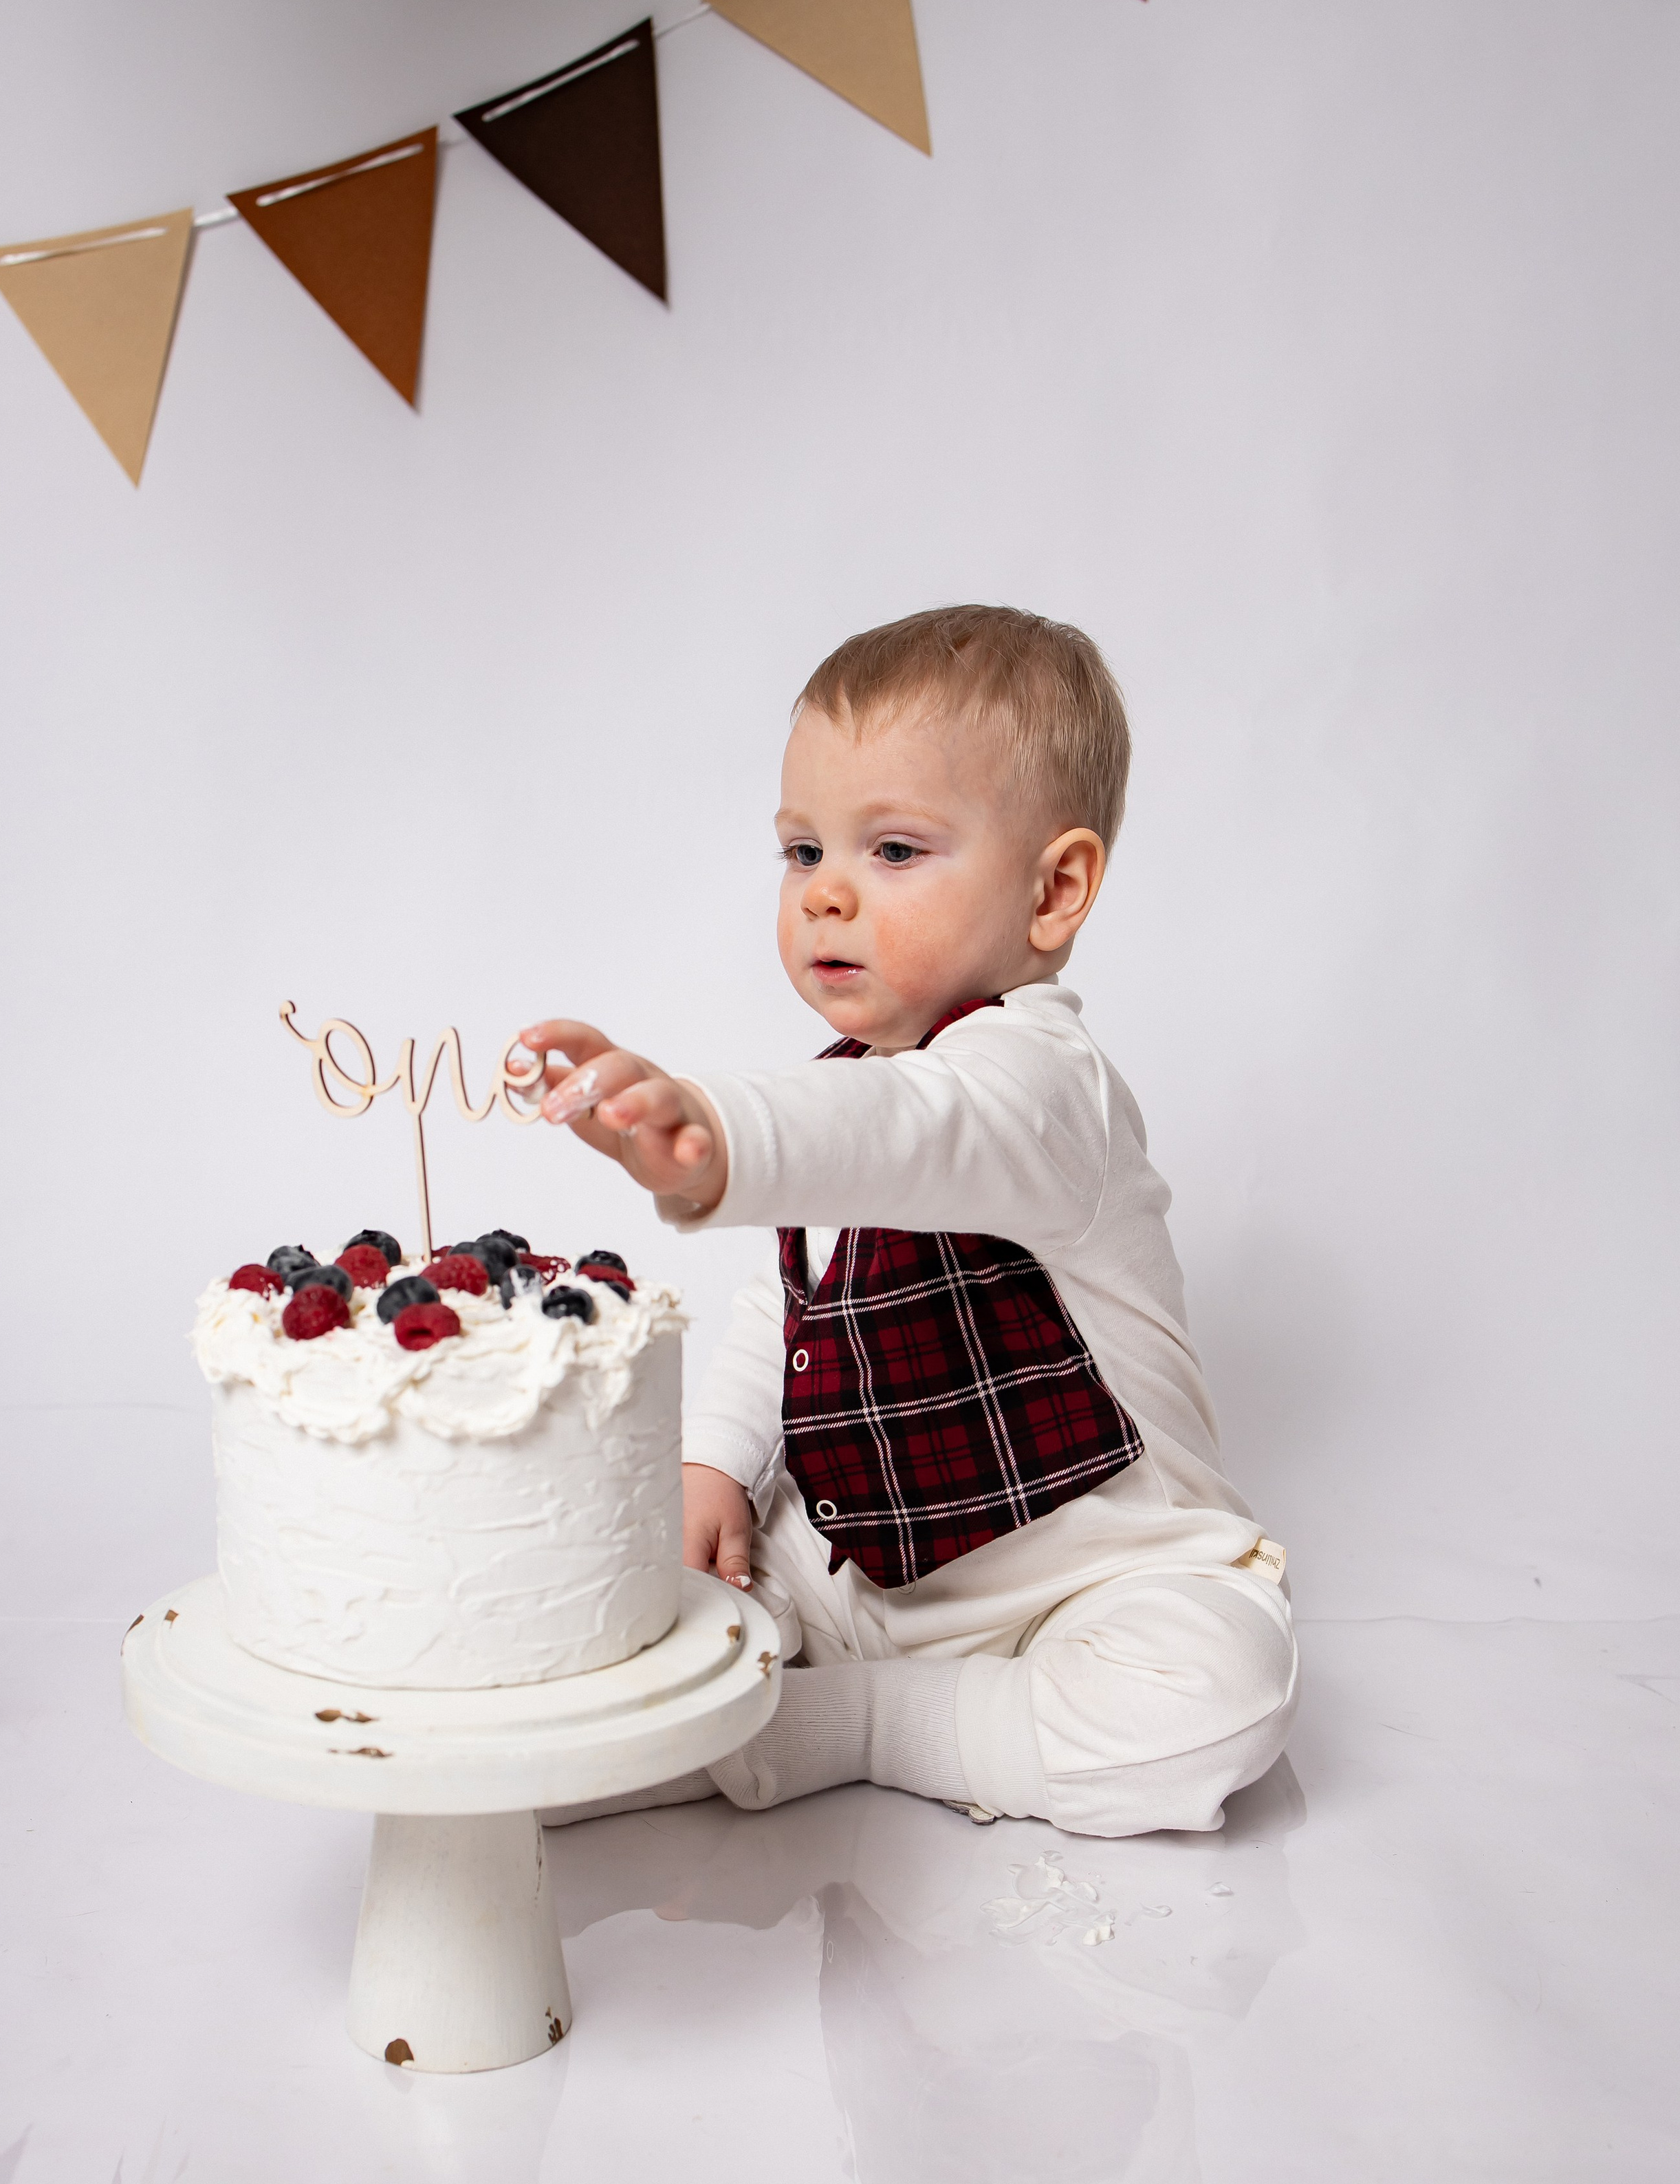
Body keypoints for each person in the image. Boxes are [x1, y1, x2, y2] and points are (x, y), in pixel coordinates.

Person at [523, 605, 1298, 1839]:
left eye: (892, 851)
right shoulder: (847, 1084)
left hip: (1080, 1585)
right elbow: (787, 1314)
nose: (826, 894)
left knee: (1218, 1696)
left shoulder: (1048, 1088)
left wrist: (722, 1135)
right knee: (636, 1594)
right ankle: (661, 1716)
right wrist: (713, 1463)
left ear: (1055, 888)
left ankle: (847, 1727)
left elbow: (918, 1130)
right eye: (801, 852)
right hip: (857, 1572)